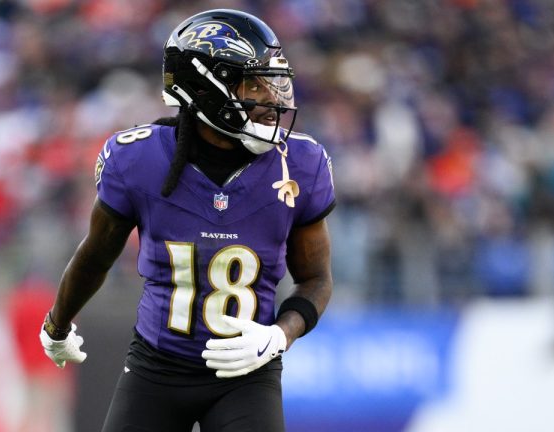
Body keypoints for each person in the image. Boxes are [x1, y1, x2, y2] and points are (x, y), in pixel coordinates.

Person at [40, 9, 335, 431]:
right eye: (255, 84)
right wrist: (57, 324)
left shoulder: (300, 164)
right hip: (156, 368)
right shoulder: (139, 160)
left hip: (247, 374)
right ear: (206, 89)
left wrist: (278, 336)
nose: (272, 100)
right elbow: (96, 255)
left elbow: (316, 279)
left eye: (275, 83)